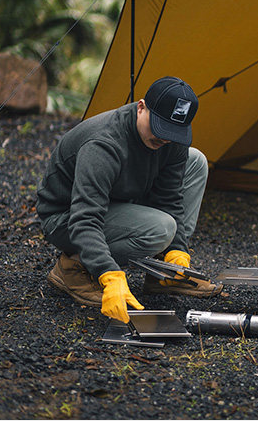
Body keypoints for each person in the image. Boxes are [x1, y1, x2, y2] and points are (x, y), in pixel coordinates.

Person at [36, 76, 222, 324]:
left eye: (172, 131)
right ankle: (74, 266)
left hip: (118, 201)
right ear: (141, 107)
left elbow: (169, 197)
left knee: (195, 160)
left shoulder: (170, 138)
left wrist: (177, 250)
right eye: (159, 127)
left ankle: (163, 273)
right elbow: (85, 218)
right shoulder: (103, 144)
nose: (164, 138)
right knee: (160, 229)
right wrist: (108, 272)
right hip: (67, 218)